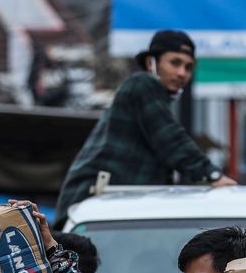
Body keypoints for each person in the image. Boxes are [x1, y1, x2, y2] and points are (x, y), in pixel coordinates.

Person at [54, 29, 236, 224]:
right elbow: (170, 138)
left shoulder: (151, 96)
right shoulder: (142, 84)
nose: (182, 73)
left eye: (188, 67)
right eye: (175, 63)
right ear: (151, 63)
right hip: (89, 209)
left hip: (104, 211)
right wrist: (212, 174)